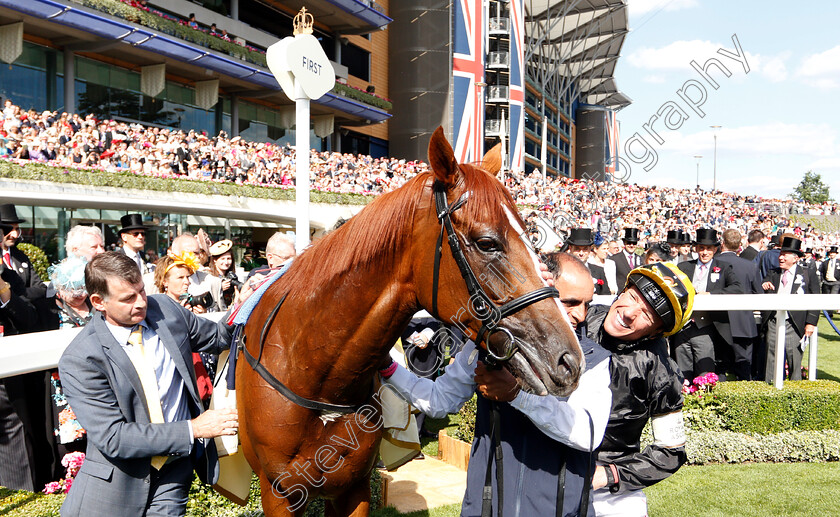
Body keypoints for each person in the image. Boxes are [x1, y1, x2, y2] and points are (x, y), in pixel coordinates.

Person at [381, 254, 612, 516]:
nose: (581, 315)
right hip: (486, 507)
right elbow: (440, 399)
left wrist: (516, 395)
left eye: (587, 303)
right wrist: (387, 367)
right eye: (571, 302)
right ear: (540, 290)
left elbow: (585, 434)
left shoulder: (593, 358)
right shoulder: (488, 342)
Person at [57, 252, 240, 516]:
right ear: (98, 302)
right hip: (115, 488)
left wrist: (245, 304)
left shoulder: (165, 309)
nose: (141, 303)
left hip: (174, 472)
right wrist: (193, 429)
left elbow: (220, 338)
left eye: (141, 291)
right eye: (128, 299)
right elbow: (114, 438)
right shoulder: (81, 358)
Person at [585, 262, 695, 516]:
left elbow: (670, 451)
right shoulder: (582, 318)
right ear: (622, 291)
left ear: (657, 332)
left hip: (610, 490)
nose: (629, 312)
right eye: (632, 297)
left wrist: (609, 475)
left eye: (646, 314)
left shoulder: (661, 372)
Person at [671, 229, 741, 382]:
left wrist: (711, 294)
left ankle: (705, 402)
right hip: (683, 327)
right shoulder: (683, 267)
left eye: (709, 248)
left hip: (707, 327)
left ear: (715, 249)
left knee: (705, 373)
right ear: (695, 249)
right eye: (701, 248)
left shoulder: (724, 267)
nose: (705, 252)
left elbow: (737, 288)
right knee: (682, 374)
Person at [760, 236, 820, 382]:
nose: (780, 258)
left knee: (795, 360)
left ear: (795, 258)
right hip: (774, 322)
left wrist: (811, 323)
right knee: (771, 360)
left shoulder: (808, 274)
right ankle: (770, 390)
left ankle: (795, 391)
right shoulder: (772, 273)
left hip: (795, 324)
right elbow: (763, 288)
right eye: (780, 254)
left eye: (784, 255)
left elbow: (816, 299)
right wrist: (765, 285)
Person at [715, 229, 761, 380]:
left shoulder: (713, 263)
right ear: (740, 246)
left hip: (718, 322)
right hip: (743, 323)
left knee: (719, 368)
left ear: (722, 244)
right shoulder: (750, 266)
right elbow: (758, 294)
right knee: (743, 367)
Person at [0, 203, 46, 300]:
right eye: (9, 229)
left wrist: (18, 295)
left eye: (17, 229)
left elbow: (41, 288)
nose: (15, 235)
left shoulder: (21, 256)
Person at [567, 228, 610, 296]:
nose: (581, 253)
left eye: (585, 249)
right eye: (577, 249)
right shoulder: (563, 270)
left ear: (590, 249)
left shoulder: (599, 271)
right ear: (570, 248)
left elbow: (606, 296)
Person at [208, 239, 241, 310]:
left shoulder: (231, 275)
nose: (226, 262)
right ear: (215, 260)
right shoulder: (208, 275)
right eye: (222, 259)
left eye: (229, 258)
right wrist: (219, 287)